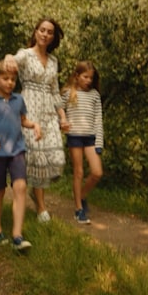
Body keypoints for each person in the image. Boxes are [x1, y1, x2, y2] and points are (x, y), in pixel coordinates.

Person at [4, 18, 69, 223]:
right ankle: (41, 207)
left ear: (53, 36)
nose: (45, 34)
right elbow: (12, 61)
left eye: (50, 32)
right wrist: (8, 57)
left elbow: (55, 90)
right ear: (36, 32)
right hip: (29, 109)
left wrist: (63, 116)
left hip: (49, 111)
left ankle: (35, 193)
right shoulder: (25, 54)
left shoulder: (53, 61)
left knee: (57, 158)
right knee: (37, 158)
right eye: (42, 30)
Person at [0, 59, 42, 251]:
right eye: (5, 78)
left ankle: (17, 235)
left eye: (13, 79)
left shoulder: (18, 100)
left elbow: (23, 121)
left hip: (17, 150)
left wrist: (35, 125)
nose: (10, 83)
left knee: (20, 187)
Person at [60, 60, 104, 224]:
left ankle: (82, 195)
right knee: (78, 172)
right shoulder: (68, 93)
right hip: (75, 137)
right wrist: (62, 123)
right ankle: (79, 209)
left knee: (97, 172)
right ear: (77, 76)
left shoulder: (94, 95)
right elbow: (58, 111)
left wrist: (99, 143)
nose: (88, 81)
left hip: (91, 138)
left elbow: (98, 120)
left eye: (91, 78)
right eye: (85, 77)